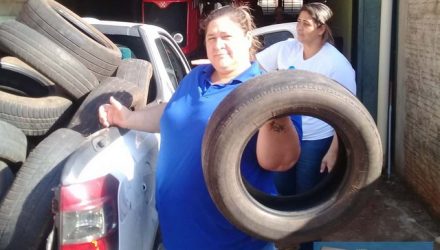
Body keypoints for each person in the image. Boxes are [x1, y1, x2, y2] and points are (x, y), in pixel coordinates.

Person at [98, 5, 302, 250]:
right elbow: (172, 113)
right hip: (179, 232)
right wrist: (126, 118)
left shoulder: (267, 90)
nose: (218, 45)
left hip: (233, 239)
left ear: (248, 39)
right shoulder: (197, 77)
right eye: (211, 38)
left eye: (226, 37)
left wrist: (274, 111)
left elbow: (279, 162)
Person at [256, 2, 356, 196]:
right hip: (284, 131)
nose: (299, 28)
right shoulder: (286, 48)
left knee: (306, 191)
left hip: (315, 139)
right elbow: (254, 68)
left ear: (321, 29)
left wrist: (333, 151)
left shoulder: (336, 64)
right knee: (280, 187)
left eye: (306, 23)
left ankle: (303, 227)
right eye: (298, 21)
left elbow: (348, 114)